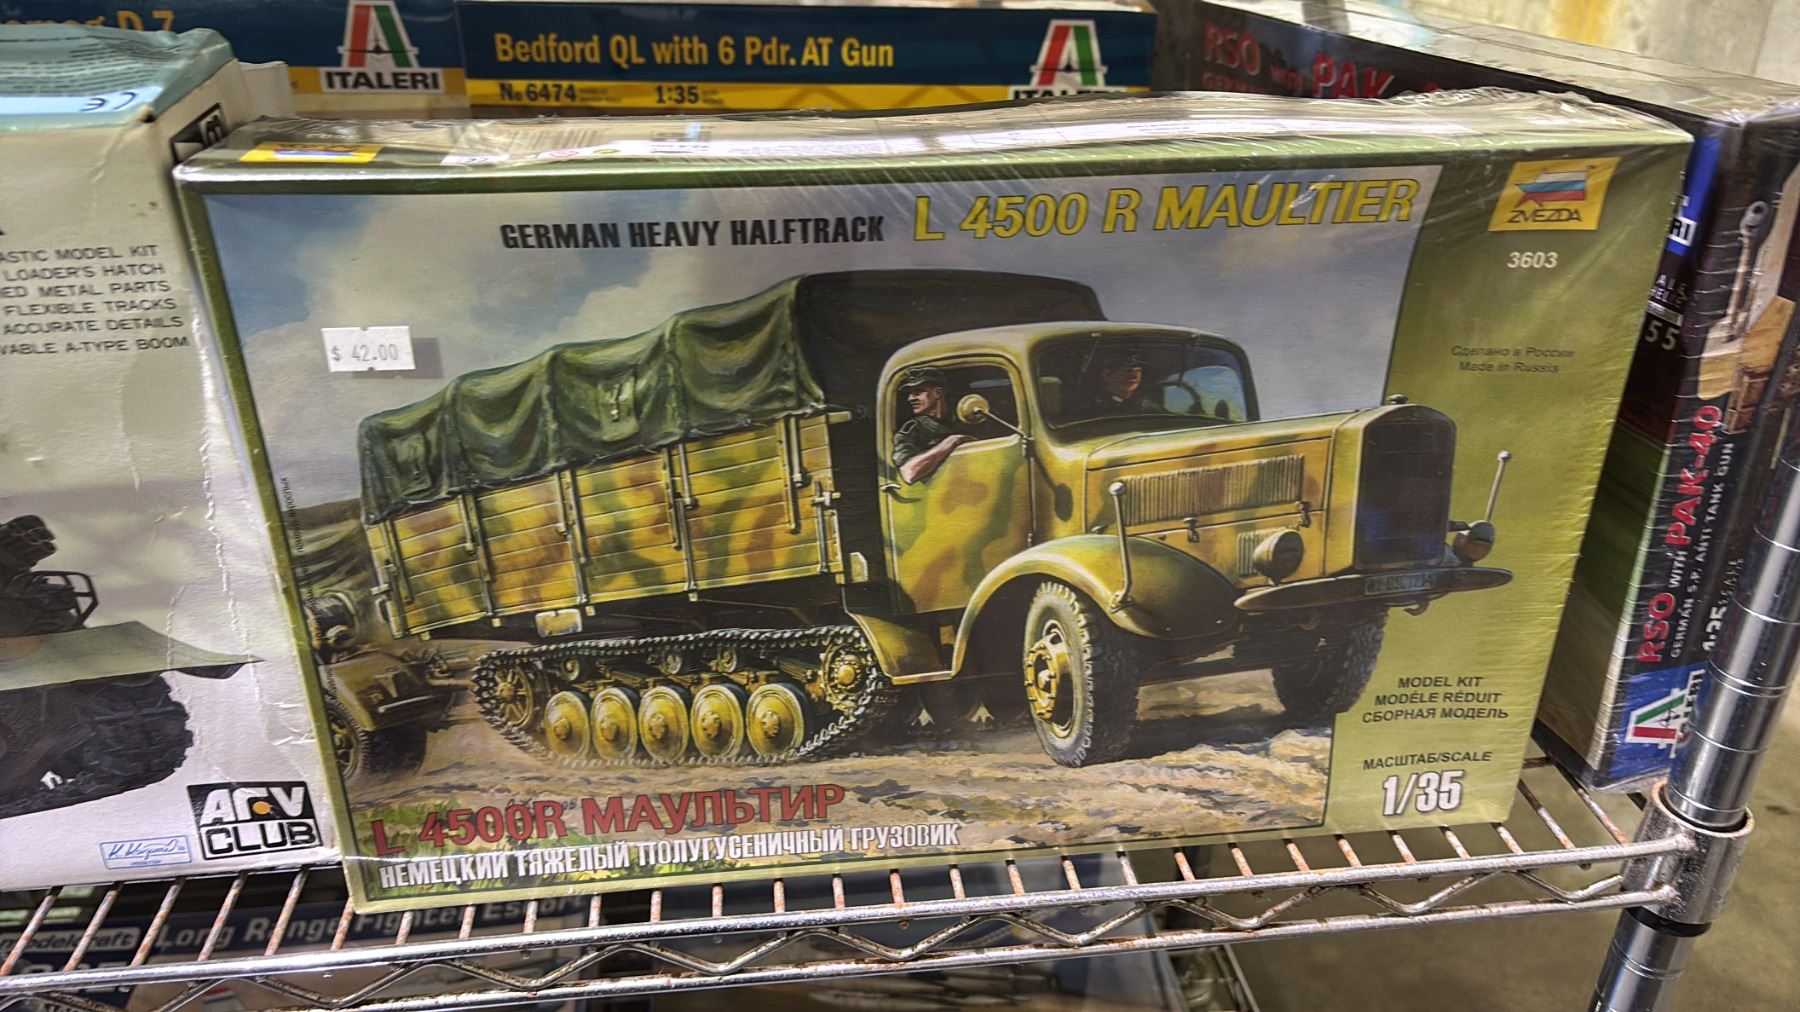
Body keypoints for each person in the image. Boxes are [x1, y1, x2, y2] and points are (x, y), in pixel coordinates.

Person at [892, 366, 973, 484]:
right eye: (910, 393)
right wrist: (951, 442)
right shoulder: (912, 429)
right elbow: (908, 473)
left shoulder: (963, 418)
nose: (910, 398)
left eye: (918, 392)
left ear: (937, 393)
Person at [1086, 348, 1163, 415]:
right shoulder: (1092, 408)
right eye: (1127, 370)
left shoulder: (1149, 407)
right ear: (1107, 374)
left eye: (1138, 370)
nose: (1134, 377)